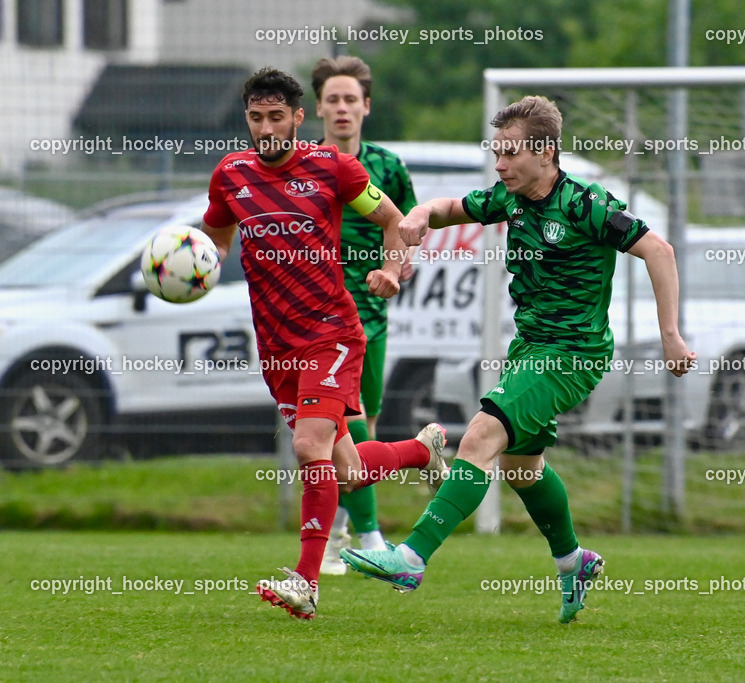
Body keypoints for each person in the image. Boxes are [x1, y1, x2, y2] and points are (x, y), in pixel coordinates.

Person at [341, 95, 696, 623]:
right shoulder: (509, 201)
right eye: (496, 152)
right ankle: (574, 561)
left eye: (510, 153)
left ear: (546, 153)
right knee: (521, 466)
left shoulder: (584, 203)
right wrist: (416, 214)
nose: (500, 163)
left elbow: (658, 250)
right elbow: (445, 209)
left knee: (480, 436)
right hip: (530, 348)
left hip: (572, 353)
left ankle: (409, 558)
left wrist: (670, 334)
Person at [201, 67, 448, 619]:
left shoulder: (332, 169)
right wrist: (197, 268)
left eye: (275, 118)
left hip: (331, 333)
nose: (265, 129)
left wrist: (390, 270)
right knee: (345, 466)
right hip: (276, 345)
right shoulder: (230, 175)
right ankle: (420, 451)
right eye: (255, 118)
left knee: (309, 446)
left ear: (296, 118)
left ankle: (306, 580)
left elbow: (392, 221)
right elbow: (216, 238)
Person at [310, 56, 419, 573]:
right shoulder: (303, 168)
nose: (342, 108)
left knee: (362, 425)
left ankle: (337, 533)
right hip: (315, 319)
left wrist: (396, 269)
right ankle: (368, 536)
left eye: (351, 98)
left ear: (366, 107)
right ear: (318, 109)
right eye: (333, 99)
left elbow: (409, 230)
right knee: (338, 426)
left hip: (368, 320)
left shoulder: (388, 168)